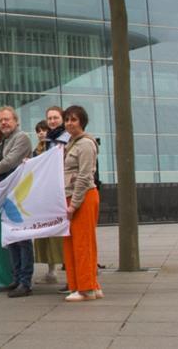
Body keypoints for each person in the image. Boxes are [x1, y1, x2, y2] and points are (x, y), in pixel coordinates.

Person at [0, 106, 34, 298]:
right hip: (7, 193)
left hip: (19, 193)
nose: (4, 123)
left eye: (7, 119)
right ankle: (16, 278)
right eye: (1, 121)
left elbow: (10, 161)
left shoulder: (21, 138)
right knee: (12, 238)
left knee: (23, 238)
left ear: (16, 121)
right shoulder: (4, 140)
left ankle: (25, 281)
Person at [62, 105, 104, 302]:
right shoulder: (71, 143)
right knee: (73, 243)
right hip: (73, 197)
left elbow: (85, 176)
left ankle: (85, 288)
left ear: (82, 122)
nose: (69, 123)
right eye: (67, 119)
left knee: (82, 243)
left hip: (83, 197)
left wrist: (73, 205)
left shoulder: (85, 144)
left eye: (74, 120)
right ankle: (89, 286)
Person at [35, 106, 67, 286]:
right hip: (48, 191)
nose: (53, 121)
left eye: (56, 117)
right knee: (49, 232)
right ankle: (51, 270)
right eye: (50, 118)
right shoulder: (48, 141)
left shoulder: (66, 139)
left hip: (63, 190)